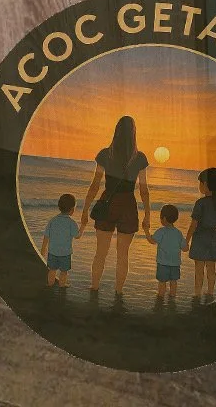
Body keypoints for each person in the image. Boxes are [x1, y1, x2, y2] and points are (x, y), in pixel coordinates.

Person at [79, 115, 150, 298]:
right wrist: (147, 215)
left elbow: (95, 184)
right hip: (128, 205)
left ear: (116, 131)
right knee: (122, 256)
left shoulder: (105, 154)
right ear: (133, 133)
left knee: (100, 253)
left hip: (107, 203)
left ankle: (94, 289)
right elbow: (144, 190)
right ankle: (118, 293)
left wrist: (85, 209)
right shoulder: (139, 158)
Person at [186, 168, 216, 302]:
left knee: (199, 269)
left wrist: (186, 240)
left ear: (205, 184)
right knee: (211, 268)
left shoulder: (200, 203)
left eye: (200, 183)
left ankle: (197, 294)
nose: (199, 186)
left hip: (200, 238)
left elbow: (194, 225)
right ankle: (210, 293)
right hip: (213, 238)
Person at [147, 202, 184, 306]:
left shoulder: (161, 231)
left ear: (163, 218)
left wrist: (146, 230)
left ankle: (160, 299)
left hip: (163, 263)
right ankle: (172, 299)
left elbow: (152, 241)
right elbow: (185, 248)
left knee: (162, 282)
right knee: (173, 282)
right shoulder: (178, 233)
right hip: (175, 263)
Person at [42, 192, 78, 289]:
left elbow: (46, 236)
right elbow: (77, 236)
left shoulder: (52, 220)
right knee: (63, 272)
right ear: (72, 210)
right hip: (65, 253)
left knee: (52, 270)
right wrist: (83, 226)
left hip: (52, 252)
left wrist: (43, 250)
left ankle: (50, 285)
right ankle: (62, 286)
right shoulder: (72, 223)